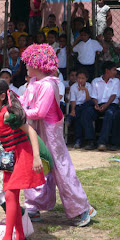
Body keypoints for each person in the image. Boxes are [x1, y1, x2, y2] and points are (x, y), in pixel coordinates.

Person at [20, 43, 96, 227]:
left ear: (38, 65)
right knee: (36, 166)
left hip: (50, 133)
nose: (26, 66)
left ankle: (82, 209)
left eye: (29, 63)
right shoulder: (32, 83)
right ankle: (34, 207)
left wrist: (19, 113)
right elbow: (25, 101)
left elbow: (39, 112)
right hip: (35, 132)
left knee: (61, 169)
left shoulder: (49, 85)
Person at [0, 78, 45, 240]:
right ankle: (20, 235)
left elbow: (31, 131)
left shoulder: (8, 114)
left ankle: (8, 237)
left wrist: (37, 156)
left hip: (22, 155)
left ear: (2, 96)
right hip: (9, 158)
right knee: (12, 198)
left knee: (10, 196)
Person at [81, 61, 119, 151]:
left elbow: (113, 95)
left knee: (109, 114)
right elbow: (94, 96)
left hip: (111, 104)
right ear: (107, 71)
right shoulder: (96, 81)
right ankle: (90, 141)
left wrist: (106, 105)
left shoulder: (116, 81)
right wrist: (96, 105)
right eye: (114, 70)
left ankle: (102, 142)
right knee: (87, 113)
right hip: (98, 104)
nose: (116, 72)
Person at [66, 69, 93, 149]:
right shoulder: (73, 87)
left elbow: (89, 100)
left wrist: (86, 90)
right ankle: (79, 140)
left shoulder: (89, 85)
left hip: (87, 105)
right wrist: (73, 110)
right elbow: (73, 100)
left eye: (82, 78)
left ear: (86, 79)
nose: (80, 80)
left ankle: (78, 140)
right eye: (79, 78)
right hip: (78, 107)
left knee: (88, 105)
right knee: (79, 116)